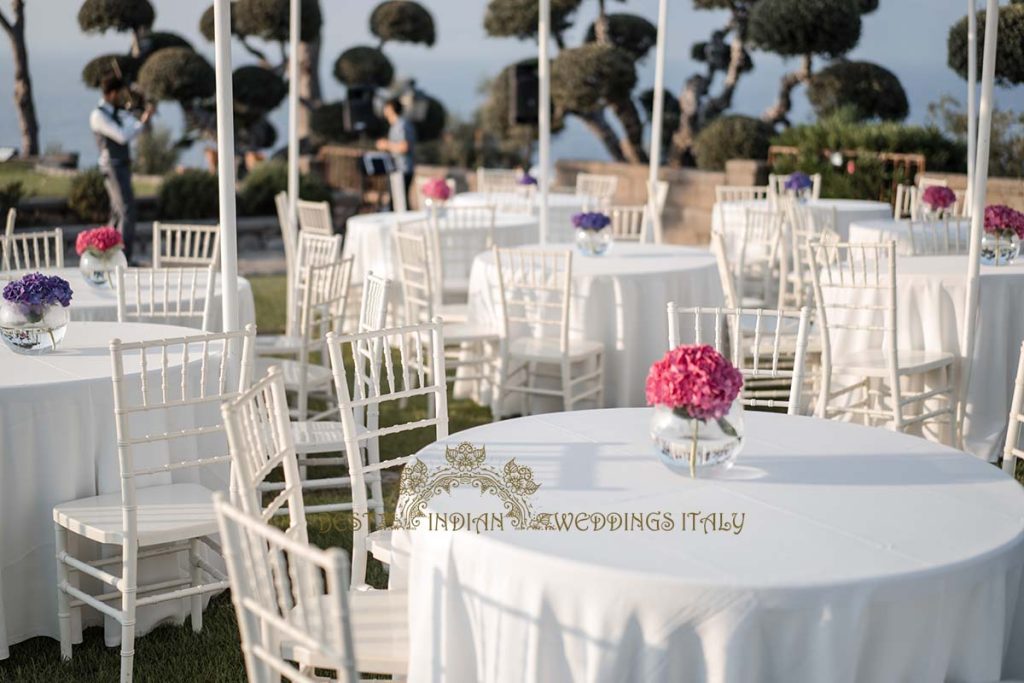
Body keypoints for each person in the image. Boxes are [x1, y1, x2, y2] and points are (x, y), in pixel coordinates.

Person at [90, 75, 152, 262]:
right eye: (119, 94)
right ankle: (123, 259)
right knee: (127, 211)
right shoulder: (99, 115)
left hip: (121, 166)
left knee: (118, 212)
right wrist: (141, 122)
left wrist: (140, 117)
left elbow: (128, 126)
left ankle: (106, 255)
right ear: (112, 94)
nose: (122, 99)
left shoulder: (115, 113)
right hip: (113, 167)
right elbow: (122, 136)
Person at [376, 98, 416, 209]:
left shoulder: (401, 125)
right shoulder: (395, 126)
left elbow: (404, 147)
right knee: (396, 202)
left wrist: (386, 145)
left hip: (402, 169)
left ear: (390, 109)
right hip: (396, 169)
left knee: (400, 204)